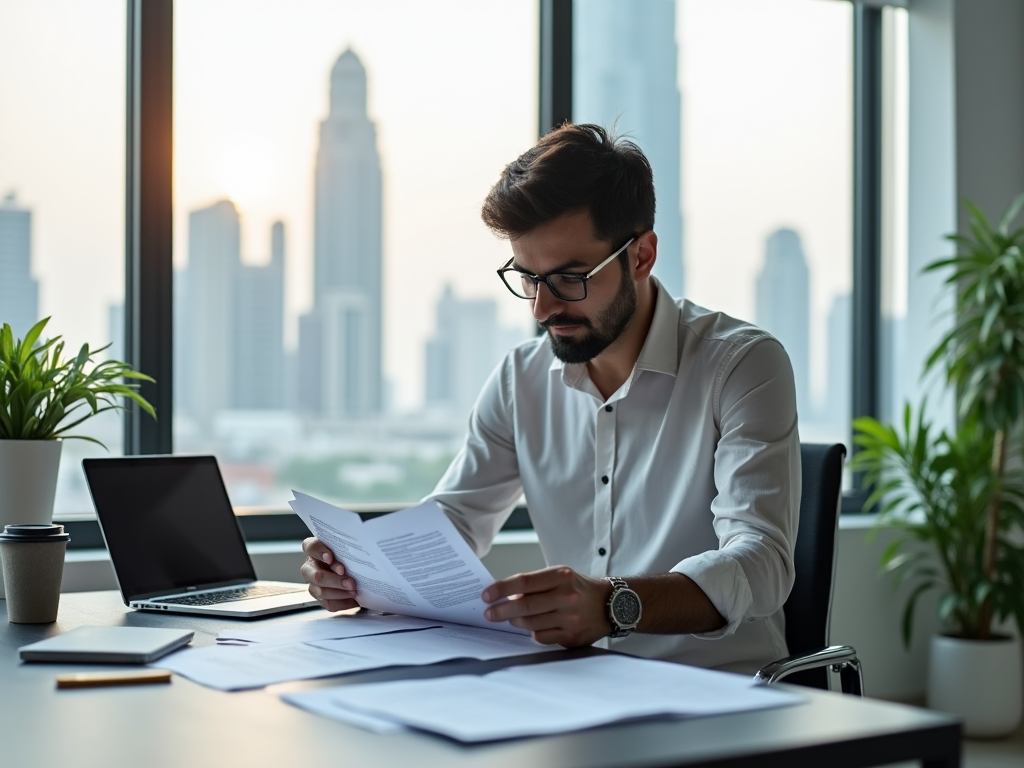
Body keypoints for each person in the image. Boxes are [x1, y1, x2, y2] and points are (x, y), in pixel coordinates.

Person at [300, 123, 800, 673]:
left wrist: (613, 605)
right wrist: (362, 569)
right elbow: (454, 522)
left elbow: (761, 563)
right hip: (576, 688)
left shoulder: (742, 364)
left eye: (569, 278)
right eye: (528, 277)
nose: (542, 308)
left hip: (722, 699)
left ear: (641, 255)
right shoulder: (521, 379)